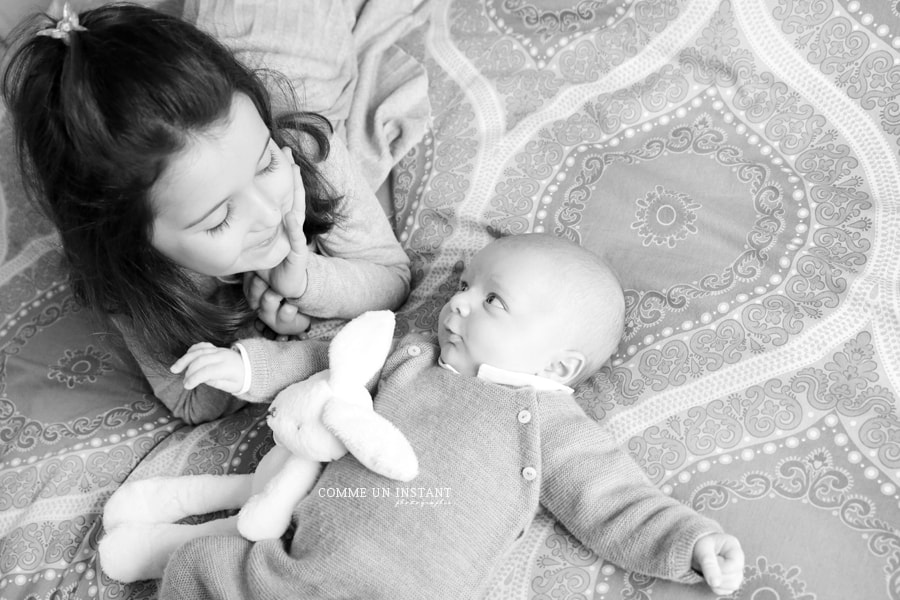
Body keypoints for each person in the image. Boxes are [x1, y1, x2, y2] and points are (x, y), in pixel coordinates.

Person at [157, 233, 744, 599]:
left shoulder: (546, 422)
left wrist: (692, 543)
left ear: (558, 365)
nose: (457, 301)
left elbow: (614, 502)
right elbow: (324, 361)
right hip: (300, 572)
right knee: (198, 568)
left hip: (408, 589)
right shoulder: (410, 357)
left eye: (493, 300)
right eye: (464, 284)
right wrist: (246, 366)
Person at [0, 3, 411, 424]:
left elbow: (394, 277)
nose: (269, 213)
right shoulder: (132, 286)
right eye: (218, 220)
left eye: (266, 164)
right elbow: (191, 401)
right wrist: (259, 338)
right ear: (134, 243)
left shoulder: (306, 148)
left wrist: (306, 281)